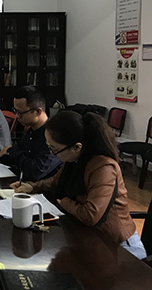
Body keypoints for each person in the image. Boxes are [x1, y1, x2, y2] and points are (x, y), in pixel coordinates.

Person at [11, 111, 147, 260]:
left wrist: (64, 202)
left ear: (77, 147)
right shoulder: (75, 159)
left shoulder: (104, 167)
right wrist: (32, 187)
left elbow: (91, 215)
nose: (51, 153)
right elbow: (56, 181)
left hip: (119, 246)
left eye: (54, 149)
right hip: (90, 237)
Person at [0, 86, 61, 181]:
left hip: (41, 188)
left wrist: (12, 151)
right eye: (15, 111)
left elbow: (34, 172)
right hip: (24, 183)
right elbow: (14, 156)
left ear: (38, 112)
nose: (16, 116)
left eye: (20, 113)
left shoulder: (53, 136)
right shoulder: (32, 130)